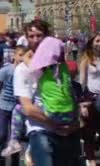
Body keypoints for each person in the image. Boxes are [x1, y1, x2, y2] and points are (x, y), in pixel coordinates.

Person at [14, 20, 81, 166]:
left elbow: (68, 93)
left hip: (66, 127)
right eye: (31, 36)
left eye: (39, 35)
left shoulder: (59, 64)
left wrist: (74, 123)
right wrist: (53, 124)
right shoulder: (22, 69)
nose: (36, 40)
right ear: (26, 38)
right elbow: (27, 108)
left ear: (47, 37)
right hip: (41, 129)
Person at [0, 46, 26, 166]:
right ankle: (0, 160)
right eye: (20, 55)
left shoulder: (26, 72)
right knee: (1, 135)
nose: (21, 58)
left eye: (24, 56)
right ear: (14, 56)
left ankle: (15, 162)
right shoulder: (6, 70)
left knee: (16, 138)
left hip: (18, 109)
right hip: (3, 107)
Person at [79, 34, 100, 165]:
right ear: (91, 42)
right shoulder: (85, 59)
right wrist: (81, 103)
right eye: (97, 41)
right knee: (90, 131)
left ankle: (94, 146)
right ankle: (90, 158)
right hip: (90, 98)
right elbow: (81, 82)